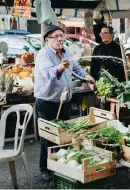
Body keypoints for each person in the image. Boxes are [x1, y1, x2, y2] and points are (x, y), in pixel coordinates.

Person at [34, 25, 94, 182]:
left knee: (65, 136)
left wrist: (86, 76)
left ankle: (62, 167)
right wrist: (60, 67)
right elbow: (48, 74)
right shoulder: (43, 55)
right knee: (48, 138)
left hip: (64, 101)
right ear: (48, 39)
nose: (60, 39)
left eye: (62, 35)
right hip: (47, 103)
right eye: (56, 36)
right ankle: (45, 169)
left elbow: (77, 68)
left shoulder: (66, 52)